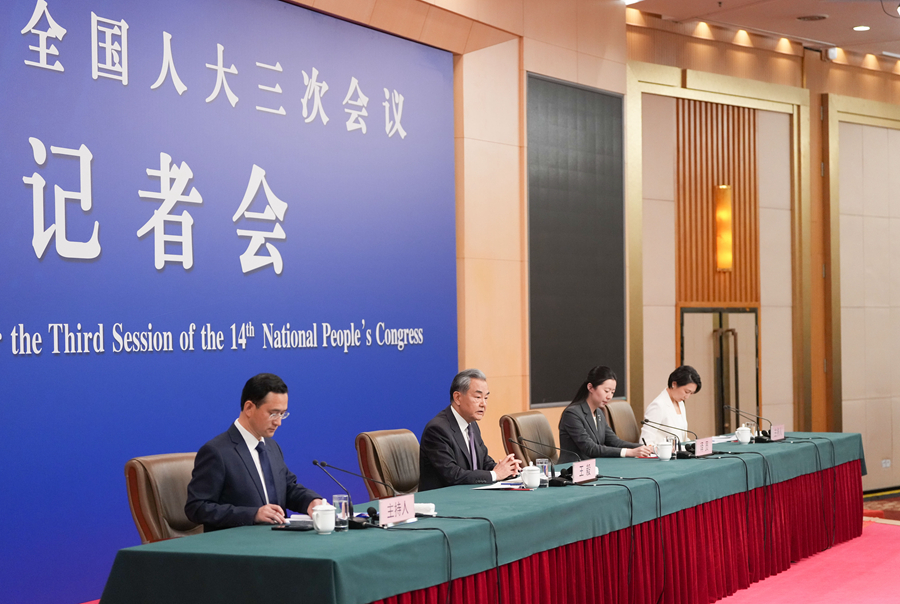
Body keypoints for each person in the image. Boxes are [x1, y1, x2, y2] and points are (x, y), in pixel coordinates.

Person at [185, 373, 325, 532]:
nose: (278, 422)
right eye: (273, 413)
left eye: (282, 414)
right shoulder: (216, 451)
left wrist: (311, 501)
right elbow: (197, 507)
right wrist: (253, 515)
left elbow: (287, 489)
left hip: (278, 539)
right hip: (237, 543)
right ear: (249, 408)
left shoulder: (271, 446)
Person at [418, 369, 521, 491]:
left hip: (469, 496)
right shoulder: (437, 430)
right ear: (457, 398)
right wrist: (495, 475)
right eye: (478, 397)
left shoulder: (472, 425)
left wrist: (507, 470)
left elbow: (484, 462)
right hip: (444, 499)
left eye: (486, 398)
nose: (483, 404)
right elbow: (453, 475)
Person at [558, 366, 652, 463]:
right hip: (573, 468)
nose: (609, 396)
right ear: (590, 387)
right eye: (606, 391)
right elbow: (590, 448)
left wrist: (646, 448)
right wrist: (629, 452)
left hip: (595, 465)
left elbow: (615, 442)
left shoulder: (599, 413)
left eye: (612, 392)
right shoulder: (572, 414)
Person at [640, 365, 702, 446]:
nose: (687, 397)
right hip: (663, 453)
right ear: (674, 384)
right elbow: (645, 442)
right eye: (686, 392)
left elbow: (682, 438)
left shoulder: (680, 403)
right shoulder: (658, 406)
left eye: (691, 393)